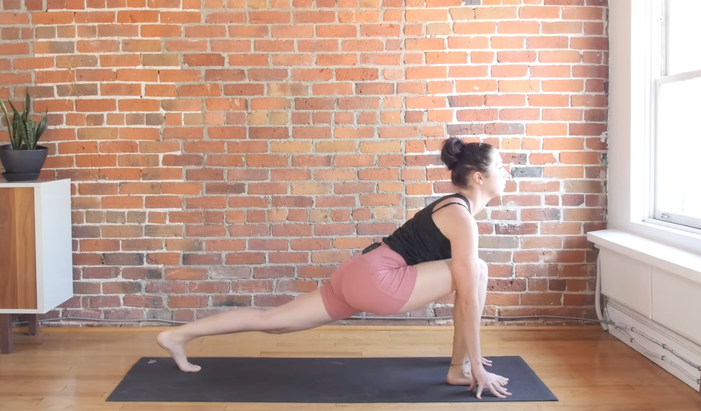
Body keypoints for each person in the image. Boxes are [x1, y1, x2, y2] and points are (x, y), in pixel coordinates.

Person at [157, 137, 512, 400]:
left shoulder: (451, 207)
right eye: (500, 167)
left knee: (272, 321)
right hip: (380, 280)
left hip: (357, 272)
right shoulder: (461, 217)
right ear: (478, 177)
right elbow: (466, 299)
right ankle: (460, 369)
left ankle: (176, 336)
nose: (506, 172)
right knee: (476, 271)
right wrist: (477, 365)